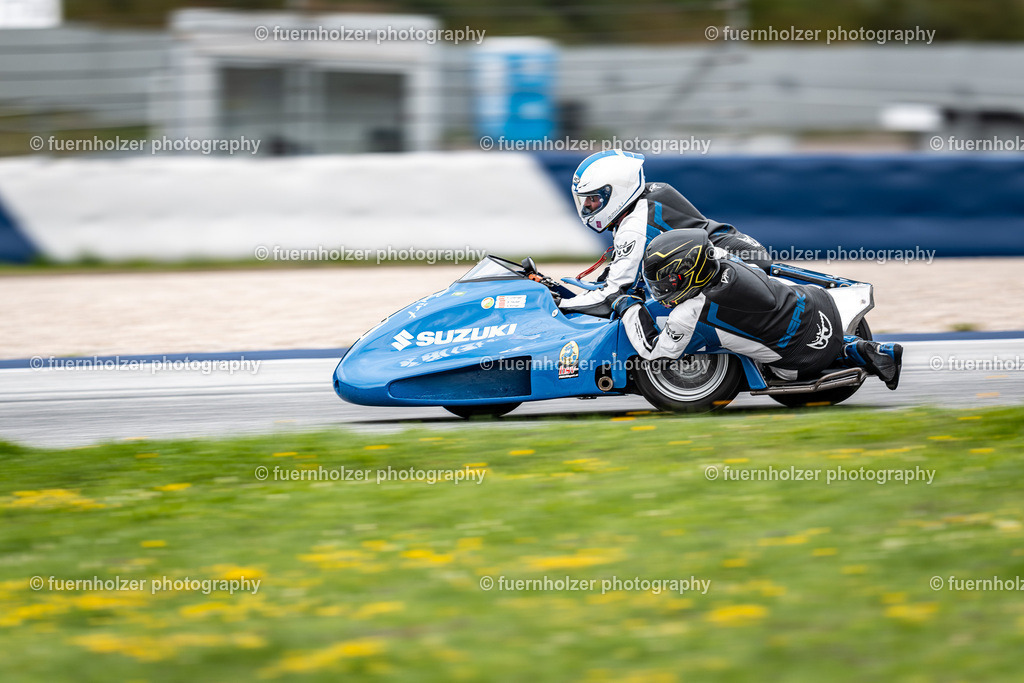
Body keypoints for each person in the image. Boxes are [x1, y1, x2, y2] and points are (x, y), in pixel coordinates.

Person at [612, 229, 904, 389]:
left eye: (667, 282)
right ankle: (868, 349)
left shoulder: (687, 314)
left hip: (796, 357)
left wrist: (628, 307)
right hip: (817, 301)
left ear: (691, 271)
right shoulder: (722, 255)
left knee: (779, 367)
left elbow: (656, 355)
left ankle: (852, 352)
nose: (661, 290)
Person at [559, 149, 771, 317]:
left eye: (593, 198)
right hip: (733, 252)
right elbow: (617, 276)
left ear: (617, 191)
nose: (587, 206)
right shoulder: (643, 198)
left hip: (736, 265)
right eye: (585, 199)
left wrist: (561, 305)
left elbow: (615, 292)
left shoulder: (635, 224)